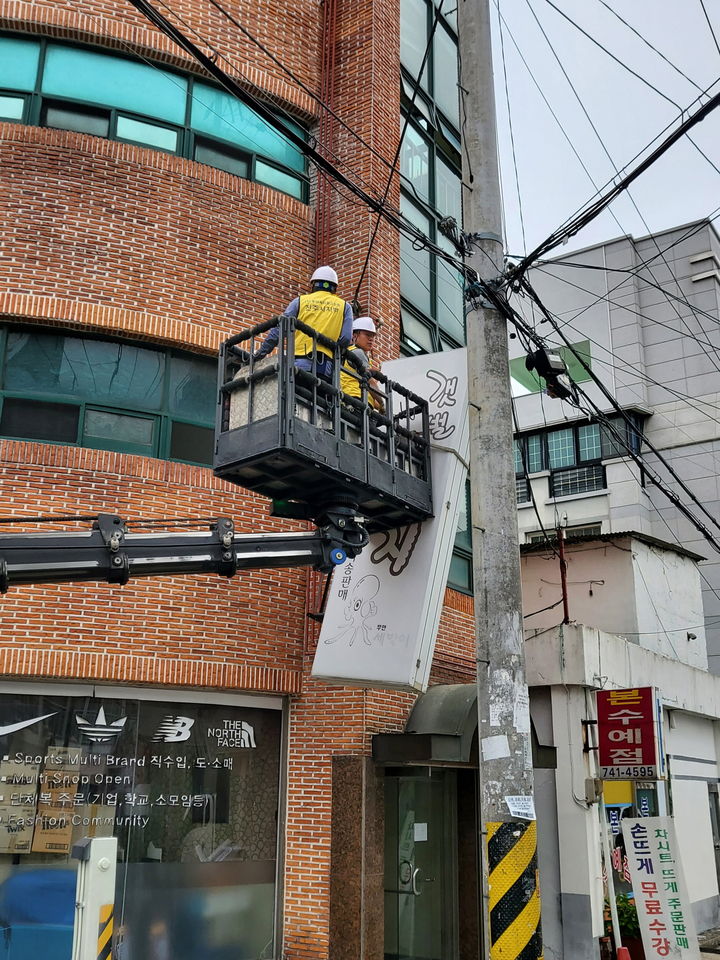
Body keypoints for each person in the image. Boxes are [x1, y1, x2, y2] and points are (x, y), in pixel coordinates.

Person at [254, 266, 353, 380]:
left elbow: (278, 330)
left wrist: (260, 354)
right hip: (326, 367)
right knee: (321, 395)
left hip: (298, 364)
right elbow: (346, 338)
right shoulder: (345, 307)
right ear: (334, 288)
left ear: (313, 285)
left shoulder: (300, 301)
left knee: (292, 395)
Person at [340, 316, 385, 411]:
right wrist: (382, 403)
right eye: (367, 335)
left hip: (352, 400)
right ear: (355, 335)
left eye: (373, 336)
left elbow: (370, 391)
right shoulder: (358, 353)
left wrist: (379, 407)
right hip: (356, 400)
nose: (371, 339)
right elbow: (370, 383)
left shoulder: (350, 352)